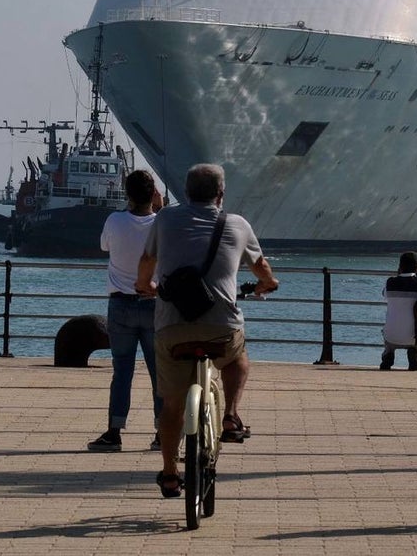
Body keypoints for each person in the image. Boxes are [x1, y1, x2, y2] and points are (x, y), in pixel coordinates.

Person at [135, 163, 278, 498]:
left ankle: (170, 474)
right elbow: (261, 267)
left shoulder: (165, 218)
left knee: (171, 407)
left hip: (171, 327)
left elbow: (146, 261)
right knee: (238, 356)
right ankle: (230, 416)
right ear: (221, 193)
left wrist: (145, 285)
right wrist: (267, 284)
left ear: (185, 192)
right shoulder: (237, 224)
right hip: (221, 328)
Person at [87, 169, 165, 452]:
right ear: (152, 194)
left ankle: (114, 432)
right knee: (160, 372)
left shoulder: (114, 220)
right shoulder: (161, 223)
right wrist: (160, 208)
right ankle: (162, 433)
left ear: (126, 193)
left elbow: (104, 245)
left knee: (122, 371)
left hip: (120, 304)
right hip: (154, 303)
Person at [380, 251, 417, 371]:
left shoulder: (390, 282)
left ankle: (388, 353)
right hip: (414, 337)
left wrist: (399, 273)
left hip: (390, 336)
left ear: (400, 266)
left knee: (390, 333)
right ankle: (416, 353)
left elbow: (384, 294)